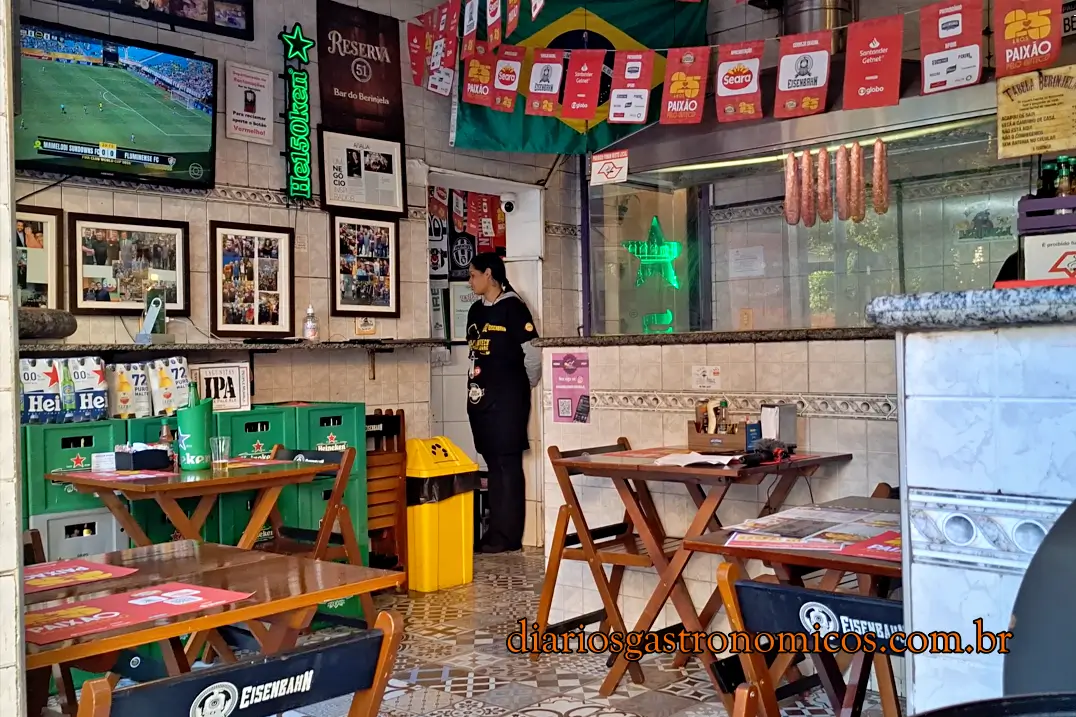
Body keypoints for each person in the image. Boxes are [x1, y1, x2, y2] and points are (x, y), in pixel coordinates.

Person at [465, 252, 542, 554]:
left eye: (473, 275)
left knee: (507, 464)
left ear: (489, 274)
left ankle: (508, 536)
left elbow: (533, 354)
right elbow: (475, 352)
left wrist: (522, 385)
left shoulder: (514, 307)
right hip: (480, 396)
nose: (470, 281)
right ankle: (492, 531)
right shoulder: (475, 311)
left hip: (508, 398)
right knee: (491, 463)